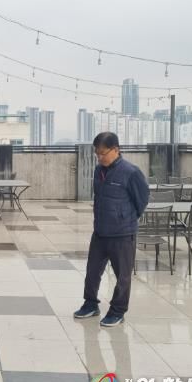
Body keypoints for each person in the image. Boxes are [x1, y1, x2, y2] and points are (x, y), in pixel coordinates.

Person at [74, 132, 149, 327]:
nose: (99, 157)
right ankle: (90, 304)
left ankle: (117, 311)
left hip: (122, 235)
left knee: (122, 276)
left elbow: (142, 201)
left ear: (116, 150)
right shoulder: (98, 170)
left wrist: (123, 218)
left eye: (103, 153)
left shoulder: (131, 172)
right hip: (100, 232)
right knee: (92, 272)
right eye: (97, 153)